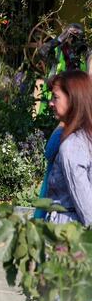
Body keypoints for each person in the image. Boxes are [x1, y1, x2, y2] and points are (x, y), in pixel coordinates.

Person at [44, 70, 92, 226]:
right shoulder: (85, 136)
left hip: (68, 234)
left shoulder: (72, 145)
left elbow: (86, 207)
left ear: (72, 99)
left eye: (56, 97)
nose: (51, 103)